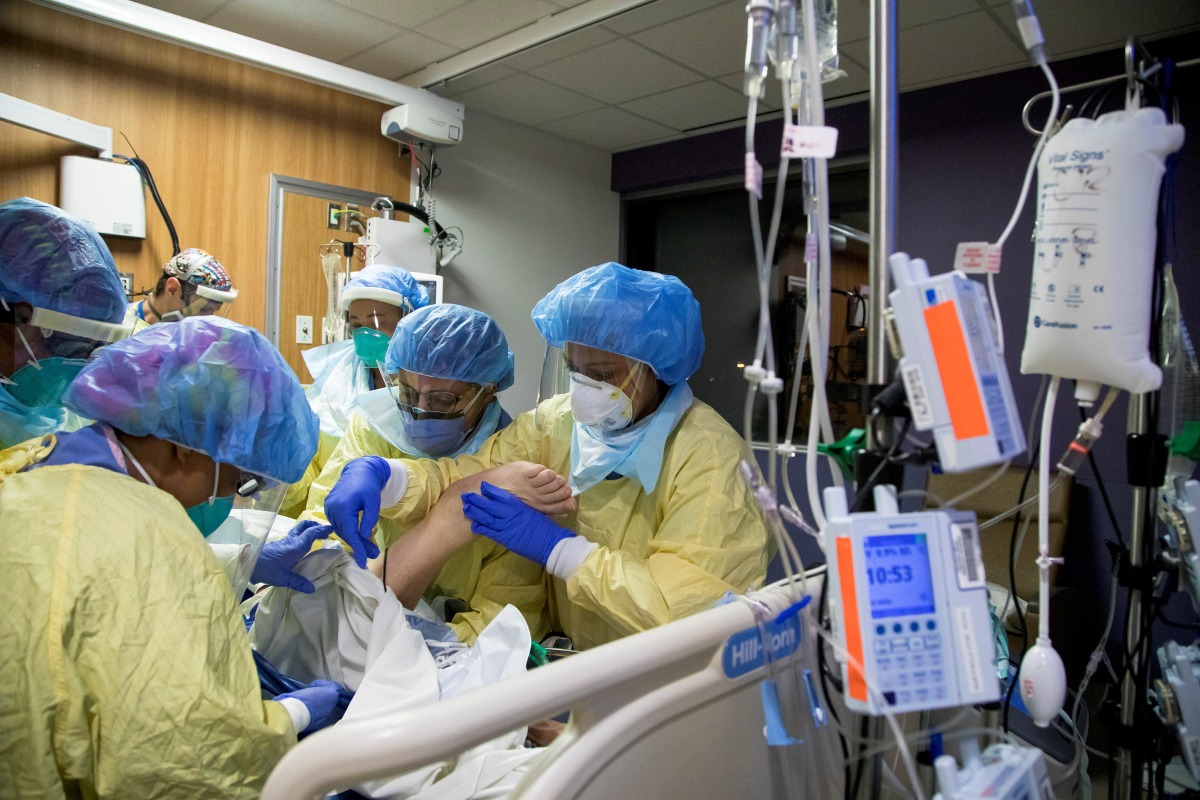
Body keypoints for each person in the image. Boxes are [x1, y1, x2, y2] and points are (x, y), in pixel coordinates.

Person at [322, 262, 770, 651]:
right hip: (578, 660)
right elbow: (471, 474)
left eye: (602, 375)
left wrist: (560, 550)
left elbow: (688, 610)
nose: (584, 390)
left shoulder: (709, 457)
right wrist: (389, 477)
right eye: (575, 370)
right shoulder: (557, 424)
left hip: (670, 680)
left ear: (657, 370)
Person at [0, 316, 347, 799]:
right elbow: (185, 763)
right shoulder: (157, 547)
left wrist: (244, 566)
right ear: (184, 450)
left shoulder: (30, 465)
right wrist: (291, 716)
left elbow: (73, 590)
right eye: (237, 481)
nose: (228, 497)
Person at [303, 303, 545, 642]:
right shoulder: (374, 429)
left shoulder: (512, 459)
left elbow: (504, 612)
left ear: (488, 389)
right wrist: (335, 597)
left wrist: (434, 651)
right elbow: (322, 533)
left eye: (443, 400)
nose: (419, 411)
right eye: (407, 392)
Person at [280, 264, 429, 517]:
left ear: (408, 320)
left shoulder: (428, 384)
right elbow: (309, 467)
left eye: (376, 323)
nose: (364, 334)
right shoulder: (335, 380)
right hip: (330, 513)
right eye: (357, 325)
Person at [0, 196, 130, 448]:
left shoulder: (66, 419)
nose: (77, 365)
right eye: (67, 345)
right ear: (13, 317)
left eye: (92, 348)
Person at [124, 247, 237, 331]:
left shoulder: (195, 341)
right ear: (172, 289)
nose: (207, 320)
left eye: (213, 312)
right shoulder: (121, 329)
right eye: (203, 309)